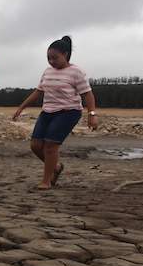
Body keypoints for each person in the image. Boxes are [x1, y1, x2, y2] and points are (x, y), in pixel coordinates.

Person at [11, 36, 99, 189]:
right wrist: (21, 108)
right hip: (47, 112)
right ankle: (56, 167)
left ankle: (46, 181)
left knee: (50, 146)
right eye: (48, 58)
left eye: (55, 58)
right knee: (35, 146)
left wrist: (91, 115)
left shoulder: (76, 72)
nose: (51, 61)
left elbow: (87, 94)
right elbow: (39, 91)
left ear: (65, 54)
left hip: (68, 112)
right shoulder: (47, 71)